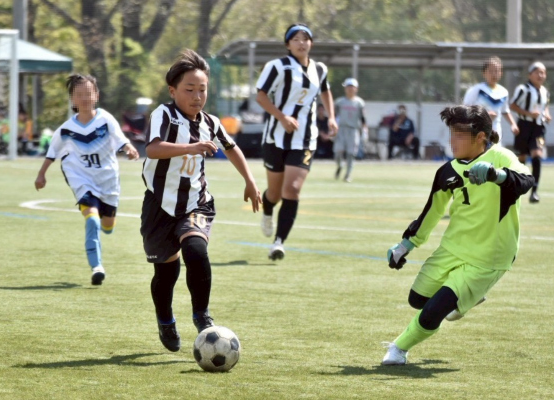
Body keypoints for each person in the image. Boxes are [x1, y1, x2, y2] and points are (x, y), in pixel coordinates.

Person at [382, 105, 535, 366]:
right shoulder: (447, 171)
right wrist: (406, 244)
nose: (453, 141)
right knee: (417, 299)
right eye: (451, 133)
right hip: (453, 248)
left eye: (460, 135)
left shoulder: (501, 157)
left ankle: (399, 349)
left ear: (481, 137)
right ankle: (469, 297)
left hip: (489, 255)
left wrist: (496, 175)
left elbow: (526, 181)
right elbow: (431, 212)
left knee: (433, 312)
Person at [140, 49, 261, 352]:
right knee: (166, 272)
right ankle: (165, 319)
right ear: (173, 91)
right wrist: (191, 147)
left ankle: (202, 316)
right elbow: (153, 149)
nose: (197, 96)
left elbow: (231, 148)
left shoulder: (211, 122)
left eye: (202, 89)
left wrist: (250, 180)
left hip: (197, 202)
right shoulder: (163, 114)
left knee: (195, 250)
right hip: (159, 205)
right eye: (189, 89)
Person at [34, 74, 139, 285]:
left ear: (96, 96)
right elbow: (52, 152)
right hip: (81, 179)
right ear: (72, 99)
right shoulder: (66, 129)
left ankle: (107, 223)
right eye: (79, 94)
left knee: (107, 225)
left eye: (88, 93)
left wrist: (129, 148)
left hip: (108, 180)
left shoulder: (105, 119)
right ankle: (97, 267)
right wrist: (41, 174)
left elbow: (120, 138)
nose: (84, 98)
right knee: (92, 219)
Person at [255, 23, 338, 260]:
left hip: (305, 139)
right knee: (274, 194)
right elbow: (260, 96)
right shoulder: (277, 66)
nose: (301, 43)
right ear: (287, 44)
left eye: (305, 38)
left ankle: (278, 242)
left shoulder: (320, 69)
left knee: (291, 189)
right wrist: (282, 117)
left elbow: (325, 91)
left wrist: (331, 117)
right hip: (275, 137)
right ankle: (268, 211)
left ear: (311, 43)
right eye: (296, 39)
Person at [509, 61, 551, 203]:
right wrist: (528, 113)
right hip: (524, 126)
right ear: (530, 74)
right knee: (521, 158)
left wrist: (547, 114)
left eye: (543, 72)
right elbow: (512, 105)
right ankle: (517, 188)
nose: (541, 75)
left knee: (537, 155)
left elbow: (545, 106)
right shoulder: (523, 89)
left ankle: (534, 192)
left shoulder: (545, 91)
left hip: (539, 128)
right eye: (537, 72)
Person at [463, 56, 519, 144]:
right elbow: (465, 109)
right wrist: (483, 116)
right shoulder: (476, 90)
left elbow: (505, 111)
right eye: (491, 71)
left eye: (497, 71)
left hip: (496, 132)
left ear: (501, 73)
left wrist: (513, 124)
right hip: (478, 130)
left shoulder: (503, 92)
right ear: (484, 73)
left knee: (494, 151)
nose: (494, 74)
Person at [333, 77, 366, 182]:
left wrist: (365, 130)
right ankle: (340, 165)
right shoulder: (339, 102)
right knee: (338, 152)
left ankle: (348, 174)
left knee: (351, 153)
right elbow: (334, 116)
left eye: (352, 87)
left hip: (353, 130)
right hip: (341, 129)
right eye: (348, 86)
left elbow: (363, 118)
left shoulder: (359, 103)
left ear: (356, 89)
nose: (350, 89)